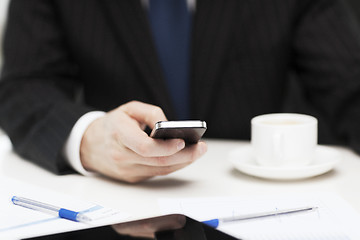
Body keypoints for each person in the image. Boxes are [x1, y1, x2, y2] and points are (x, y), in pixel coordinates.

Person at [1, 0, 360, 183]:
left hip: (256, 201)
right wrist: (85, 137)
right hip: (112, 203)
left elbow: (350, 84)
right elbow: (24, 85)